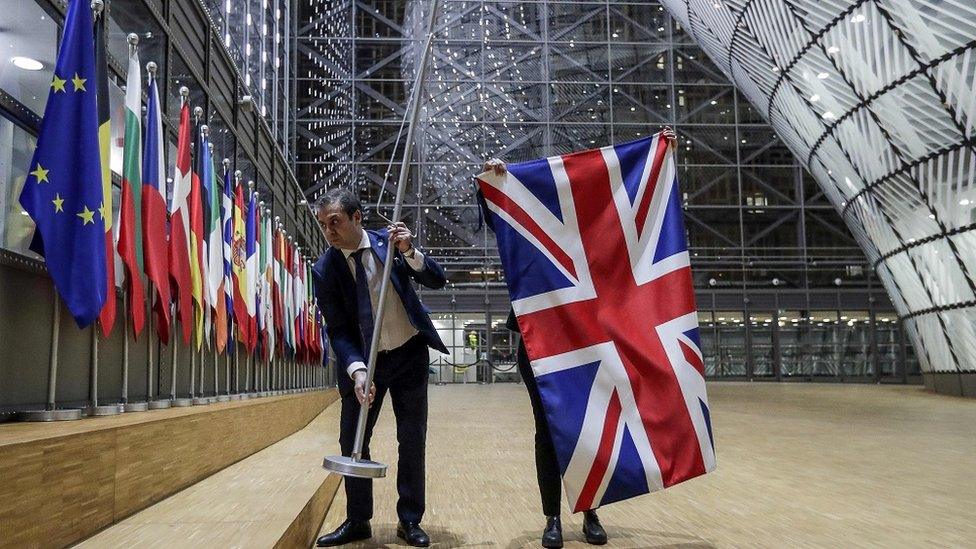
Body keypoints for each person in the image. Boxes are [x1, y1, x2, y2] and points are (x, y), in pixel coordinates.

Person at [481, 129, 676, 547]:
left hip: (589, 339)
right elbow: (502, 222)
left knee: (590, 425)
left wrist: (659, 154)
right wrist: (494, 183)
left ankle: (590, 511)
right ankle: (552, 516)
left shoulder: (590, 231)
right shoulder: (533, 228)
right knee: (549, 428)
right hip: (539, 344)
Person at [312, 188, 448, 548]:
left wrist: (409, 252)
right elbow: (338, 329)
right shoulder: (324, 270)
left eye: (335, 222)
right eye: (323, 225)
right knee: (351, 441)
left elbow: (437, 278)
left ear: (357, 218)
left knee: (412, 438)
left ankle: (410, 520)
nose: (329, 232)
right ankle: (358, 520)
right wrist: (357, 371)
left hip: (408, 354)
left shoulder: (391, 247)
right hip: (364, 364)